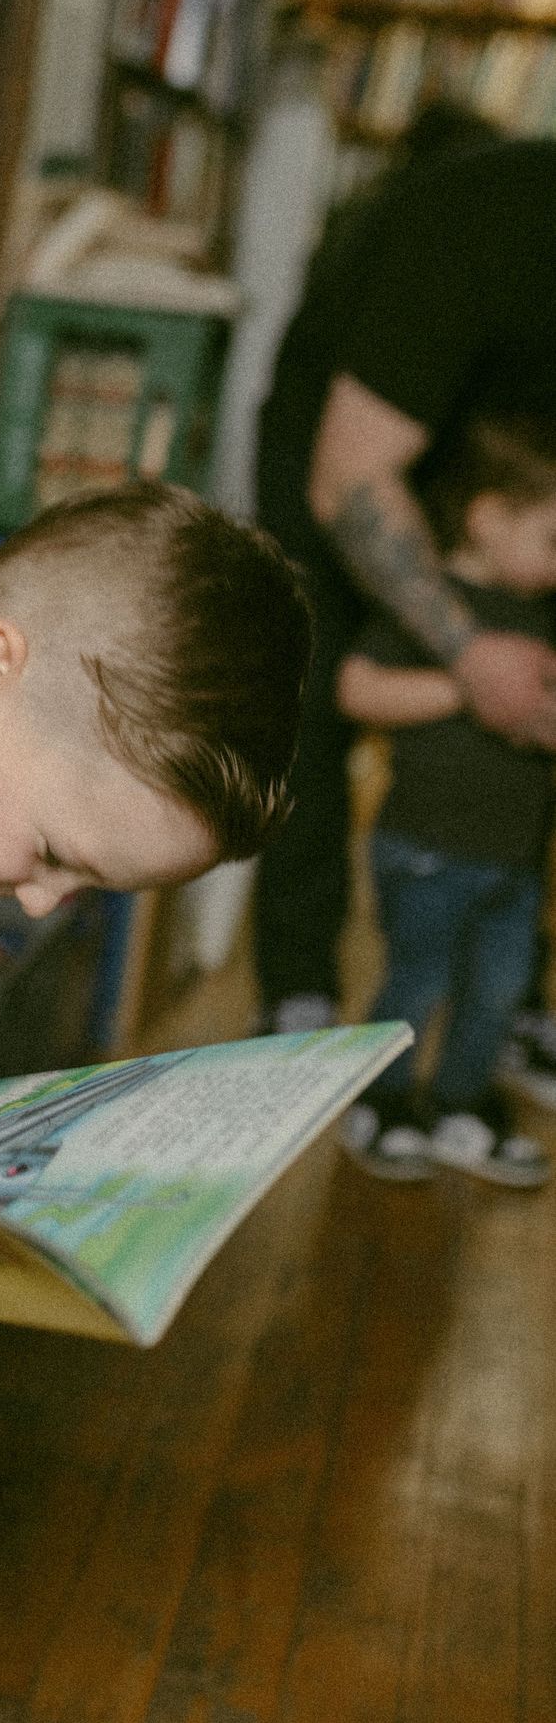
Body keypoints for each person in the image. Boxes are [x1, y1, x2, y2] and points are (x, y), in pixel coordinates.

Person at [249, 107, 556, 1046]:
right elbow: (350, 480)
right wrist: (468, 655)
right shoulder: (479, 230)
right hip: (350, 458)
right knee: (311, 694)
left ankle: (507, 998)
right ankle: (298, 986)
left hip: (516, 467)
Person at [336, 411, 556, 1189]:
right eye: (553, 538)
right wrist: (467, 688)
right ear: (488, 518)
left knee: (497, 992)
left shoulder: (545, 617)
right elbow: (357, 688)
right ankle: (383, 1102)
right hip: (427, 847)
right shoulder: (434, 609)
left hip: (514, 859)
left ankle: (462, 1102)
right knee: (415, 983)